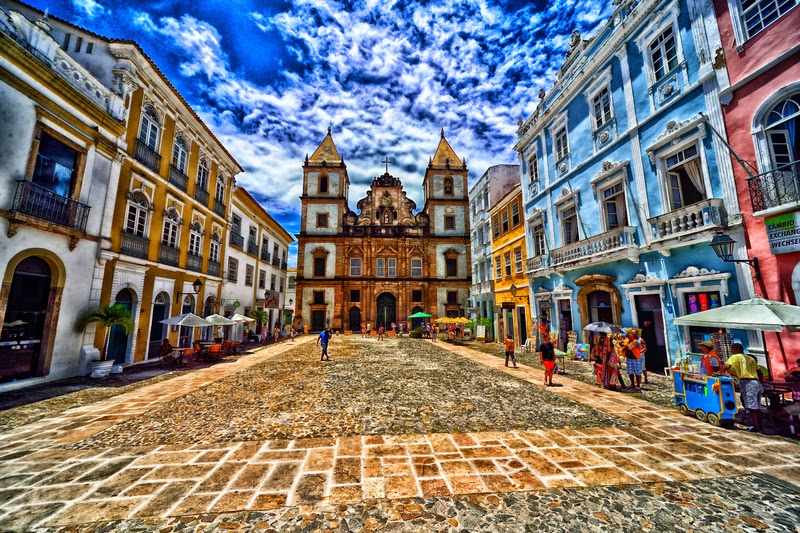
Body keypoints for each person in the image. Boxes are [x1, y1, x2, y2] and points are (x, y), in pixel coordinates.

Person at [723, 343, 764, 433]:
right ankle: (759, 426)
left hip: (748, 383)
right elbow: (759, 372)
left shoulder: (735, 356)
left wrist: (721, 370)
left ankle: (758, 428)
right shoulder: (750, 358)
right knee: (757, 407)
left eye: (732, 349)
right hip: (756, 382)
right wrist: (761, 382)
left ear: (737, 349)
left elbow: (727, 366)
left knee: (752, 408)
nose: (731, 351)